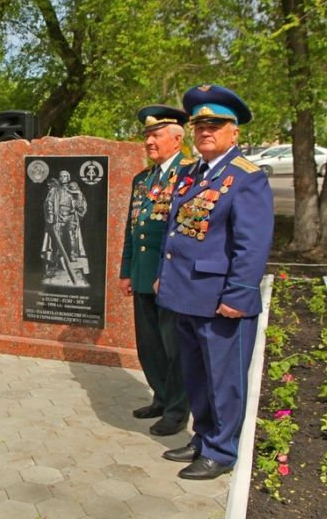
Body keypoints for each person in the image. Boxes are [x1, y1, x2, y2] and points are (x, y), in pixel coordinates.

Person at [155, 84, 273, 480]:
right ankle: (203, 437)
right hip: (186, 294)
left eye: (216, 125)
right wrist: (163, 278)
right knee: (196, 376)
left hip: (221, 299)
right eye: (200, 125)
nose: (206, 131)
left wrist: (239, 294)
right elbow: (175, 233)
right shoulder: (190, 174)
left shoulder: (246, 178)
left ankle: (221, 451)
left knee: (224, 380)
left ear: (233, 131)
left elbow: (251, 244)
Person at [119, 104, 193, 437]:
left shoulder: (191, 174)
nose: (150, 142)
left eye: (157, 135)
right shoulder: (143, 179)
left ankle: (178, 410)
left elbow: (188, 232)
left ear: (177, 139)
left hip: (172, 278)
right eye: (148, 136)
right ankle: (161, 397)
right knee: (149, 344)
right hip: (143, 274)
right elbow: (132, 228)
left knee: (174, 347)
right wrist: (126, 270)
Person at [42, 170, 88, 285]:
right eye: (61, 175)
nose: (64, 177)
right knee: (57, 239)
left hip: (71, 216)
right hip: (58, 216)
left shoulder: (73, 189)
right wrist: (51, 216)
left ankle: (72, 257)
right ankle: (57, 260)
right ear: (59, 177)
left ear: (69, 178)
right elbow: (49, 203)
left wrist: (78, 195)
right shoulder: (54, 190)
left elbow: (81, 206)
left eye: (66, 176)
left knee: (72, 237)